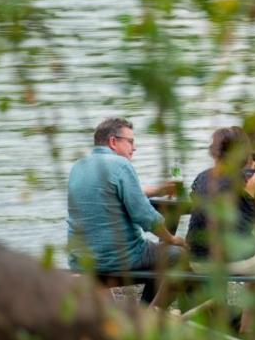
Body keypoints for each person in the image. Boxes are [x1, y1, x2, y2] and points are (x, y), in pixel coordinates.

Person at [66, 117, 186, 306]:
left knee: (153, 265)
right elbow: (145, 217)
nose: (134, 147)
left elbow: (113, 191)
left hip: (80, 259)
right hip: (119, 257)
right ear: (113, 142)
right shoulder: (121, 165)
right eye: (130, 141)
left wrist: (158, 190)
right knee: (178, 256)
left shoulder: (78, 167)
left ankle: (132, 304)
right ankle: (152, 312)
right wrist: (172, 239)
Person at [182, 126, 255, 331]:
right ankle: (252, 324)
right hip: (232, 261)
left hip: (197, 260)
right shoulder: (246, 176)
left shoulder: (201, 177)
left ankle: (232, 315)